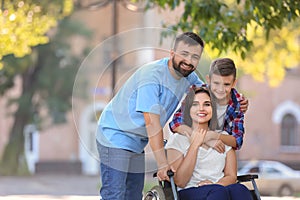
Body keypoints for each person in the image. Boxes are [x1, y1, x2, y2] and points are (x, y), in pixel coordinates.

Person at [96, 32, 206, 200]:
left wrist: (238, 101)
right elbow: (152, 123)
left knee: (133, 195)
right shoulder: (152, 76)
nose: (189, 61)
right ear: (172, 53)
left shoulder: (188, 76)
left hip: (137, 142)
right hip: (115, 134)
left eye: (195, 57)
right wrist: (162, 164)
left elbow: (210, 94)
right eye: (184, 54)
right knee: (115, 194)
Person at [165, 86, 253, 200]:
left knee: (240, 189)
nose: (201, 108)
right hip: (190, 191)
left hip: (220, 187)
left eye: (207, 104)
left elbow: (231, 176)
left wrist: (215, 185)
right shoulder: (178, 139)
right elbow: (180, 181)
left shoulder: (223, 137)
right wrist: (195, 145)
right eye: (195, 104)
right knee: (217, 192)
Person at [169, 58, 246, 152]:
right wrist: (204, 139)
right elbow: (175, 124)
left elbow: (237, 140)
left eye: (226, 84)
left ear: (234, 83)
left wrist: (214, 136)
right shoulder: (197, 94)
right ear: (208, 80)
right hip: (191, 144)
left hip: (219, 149)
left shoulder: (238, 104)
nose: (221, 89)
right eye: (216, 83)